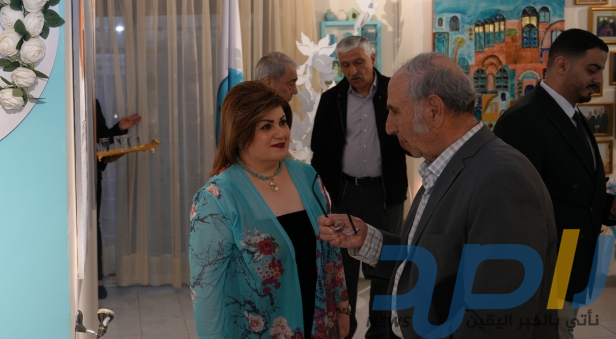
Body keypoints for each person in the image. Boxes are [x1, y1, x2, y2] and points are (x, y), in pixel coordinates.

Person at [319, 53, 558, 339]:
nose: (389, 126)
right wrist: (369, 241)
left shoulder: (502, 179)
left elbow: (493, 322)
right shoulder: (448, 164)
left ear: (433, 110)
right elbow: (434, 259)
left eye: (395, 111)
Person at [190, 81, 349, 339]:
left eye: (282, 122)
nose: (281, 133)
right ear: (240, 133)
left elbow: (331, 250)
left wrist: (342, 306)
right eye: (266, 126)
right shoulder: (216, 198)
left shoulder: (308, 177)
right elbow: (206, 289)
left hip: (320, 322)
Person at [494, 29, 616, 339]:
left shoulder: (573, 115)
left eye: (601, 70)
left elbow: (567, 186)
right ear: (561, 65)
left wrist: (607, 206)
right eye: (593, 69)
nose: (599, 80)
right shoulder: (522, 120)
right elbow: (512, 210)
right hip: (546, 267)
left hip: (572, 261)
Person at [309, 36, 408, 339]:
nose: (352, 70)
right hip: (346, 195)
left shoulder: (395, 92)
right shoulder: (332, 99)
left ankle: (380, 333)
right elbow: (319, 153)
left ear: (373, 59)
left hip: (386, 195)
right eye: (345, 65)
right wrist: (323, 198)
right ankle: (345, 332)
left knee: (386, 267)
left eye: (358, 62)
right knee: (346, 271)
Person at [94, 99, 141, 299]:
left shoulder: (93, 102)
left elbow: (102, 137)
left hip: (92, 175)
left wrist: (118, 129)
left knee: (92, 226)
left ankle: (97, 280)